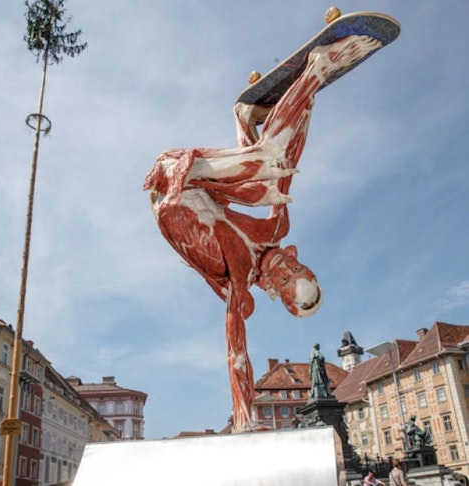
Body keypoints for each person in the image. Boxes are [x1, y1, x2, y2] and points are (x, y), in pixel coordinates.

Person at [143, 34, 383, 432]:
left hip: (172, 193)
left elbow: (236, 352)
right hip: (186, 179)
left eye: (286, 280)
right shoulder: (277, 227)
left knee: (266, 170)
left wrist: (244, 418)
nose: (286, 264)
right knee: (271, 173)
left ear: (273, 291)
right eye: (298, 266)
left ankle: (317, 67)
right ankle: (245, 116)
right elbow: (282, 166)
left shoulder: (239, 280)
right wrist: (306, 106)